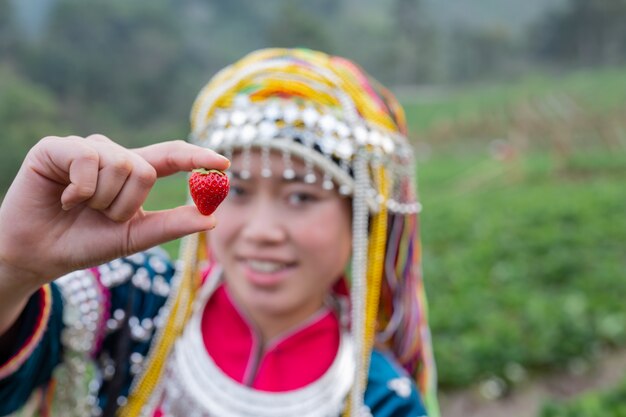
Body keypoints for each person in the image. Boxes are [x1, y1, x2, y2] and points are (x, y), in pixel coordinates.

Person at [0, 48, 438, 417]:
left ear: (363, 216)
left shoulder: (380, 397)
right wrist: (13, 269)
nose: (262, 232)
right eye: (240, 190)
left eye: (302, 197)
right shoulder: (128, 300)